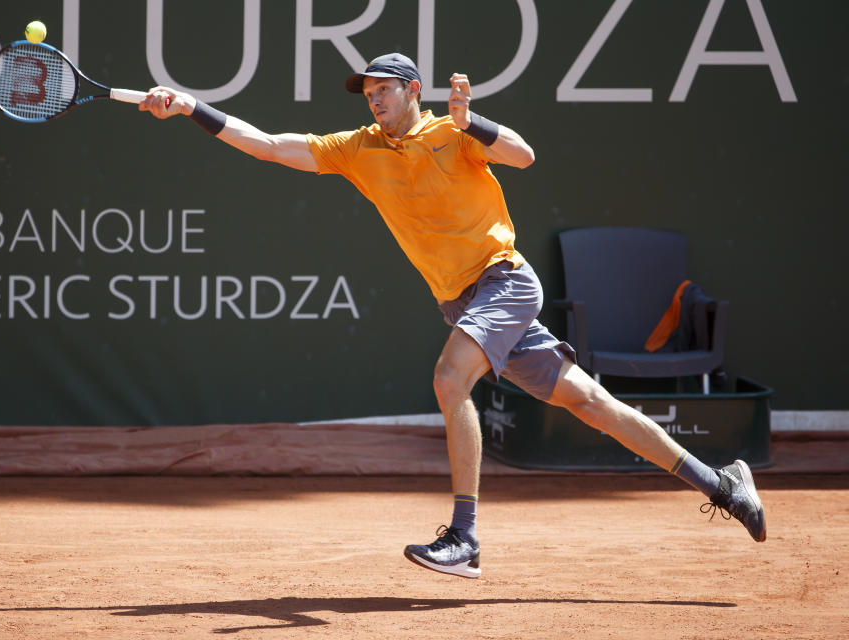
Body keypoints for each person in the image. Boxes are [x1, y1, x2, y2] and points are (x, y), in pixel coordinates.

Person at [139, 53, 766, 579]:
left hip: (505, 282)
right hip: (463, 301)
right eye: (368, 92)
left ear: (414, 91)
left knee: (448, 380)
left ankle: (464, 536)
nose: (374, 100)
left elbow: (523, 156)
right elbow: (271, 147)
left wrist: (471, 120)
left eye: (385, 89)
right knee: (594, 406)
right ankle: (722, 483)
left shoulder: (451, 133)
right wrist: (193, 107)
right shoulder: (356, 149)